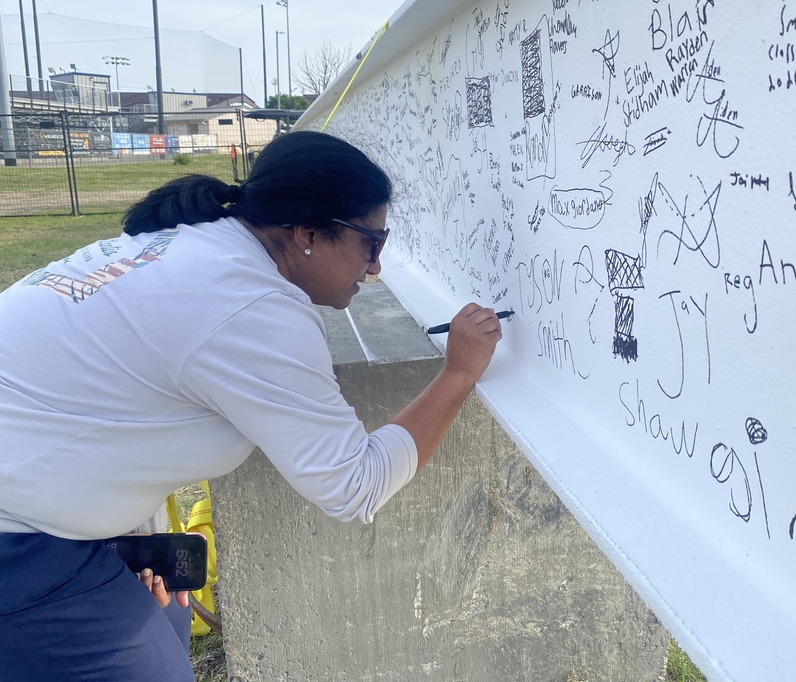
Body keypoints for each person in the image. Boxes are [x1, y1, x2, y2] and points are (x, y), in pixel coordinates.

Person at [0, 130, 503, 682]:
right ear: (308, 233)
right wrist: (459, 374)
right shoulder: (253, 305)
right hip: (22, 546)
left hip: (49, 521)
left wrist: (127, 527)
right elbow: (356, 485)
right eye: (372, 243)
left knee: (166, 623)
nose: (376, 267)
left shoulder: (200, 240)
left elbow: (101, 384)